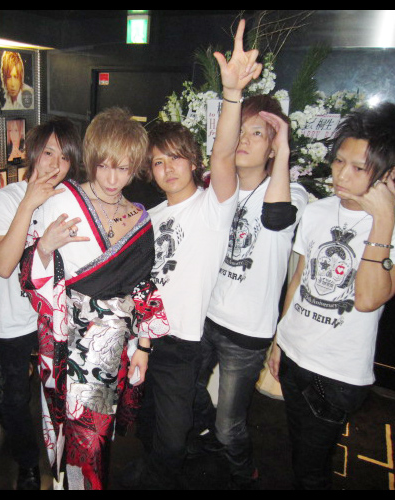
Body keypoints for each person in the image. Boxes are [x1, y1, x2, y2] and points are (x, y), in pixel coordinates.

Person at [125, 19, 257, 490]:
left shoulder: (212, 206)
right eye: (158, 161)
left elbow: (223, 157)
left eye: (175, 157)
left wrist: (232, 94)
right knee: (146, 422)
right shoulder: (151, 216)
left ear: (193, 159)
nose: (167, 168)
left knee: (171, 439)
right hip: (145, 336)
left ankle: (158, 476)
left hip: (183, 344)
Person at [267, 102, 395, 489]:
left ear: (390, 174)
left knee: (311, 469)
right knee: (296, 451)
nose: (341, 174)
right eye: (339, 161)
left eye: (358, 168)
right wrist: (279, 339)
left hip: (336, 374)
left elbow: (369, 298)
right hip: (293, 354)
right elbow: (299, 280)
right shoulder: (319, 211)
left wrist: (383, 218)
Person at [18, 107, 170, 489]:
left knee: (93, 437)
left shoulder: (139, 218)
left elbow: (143, 288)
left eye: (123, 168)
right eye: (104, 166)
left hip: (109, 348)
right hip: (65, 339)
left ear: (135, 167)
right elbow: (30, 275)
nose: (112, 179)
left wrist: (144, 347)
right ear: (91, 159)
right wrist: (44, 248)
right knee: (72, 433)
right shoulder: (61, 200)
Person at [190, 94, 309, 489]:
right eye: (240, 131)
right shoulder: (220, 189)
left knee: (230, 425)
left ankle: (244, 472)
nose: (243, 139)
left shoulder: (291, 192)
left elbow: (275, 218)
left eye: (257, 133)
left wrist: (283, 149)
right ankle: (210, 440)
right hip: (206, 316)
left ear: (273, 147)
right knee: (187, 392)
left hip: (247, 332)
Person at [0, 117, 83, 490]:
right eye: (48, 153)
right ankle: (27, 463)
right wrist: (28, 203)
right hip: (12, 318)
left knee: (59, 393)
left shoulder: (71, 200)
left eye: (65, 157)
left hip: (54, 319)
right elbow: (3, 265)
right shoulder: (7, 198)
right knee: (15, 398)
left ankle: (66, 463)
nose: (55, 165)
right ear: (32, 153)